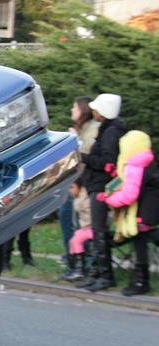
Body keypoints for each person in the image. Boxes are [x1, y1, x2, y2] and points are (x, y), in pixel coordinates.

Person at [97, 130, 158, 296]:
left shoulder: (135, 165)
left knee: (139, 244)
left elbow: (130, 194)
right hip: (152, 212)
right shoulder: (148, 161)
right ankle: (140, 279)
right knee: (144, 242)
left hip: (143, 215)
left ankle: (140, 282)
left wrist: (108, 199)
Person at [79, 93, 127, 291]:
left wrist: (83, 157)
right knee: (97, 230)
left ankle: (105, 276)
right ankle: (97, 272)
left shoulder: (110, 133)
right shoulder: (108, 129)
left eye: (97, 109)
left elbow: (107, 163)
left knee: (99, 231)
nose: (93, 111)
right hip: (96, 184)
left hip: (101, 186)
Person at [60, 96, 100, 279]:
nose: (71, 111)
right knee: (70, 222)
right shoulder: (82, 129)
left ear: (82, 110)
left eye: (74, 107)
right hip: (75, 184)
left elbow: (87, 159)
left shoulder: (92, 131)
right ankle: (75, 263)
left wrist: (75, 142)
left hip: (81, 185)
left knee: (77, 224)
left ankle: (79, 265)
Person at [64, 181, 94, 281]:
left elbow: (92, 213)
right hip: (86, 227)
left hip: (93, 227)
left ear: (79, 187)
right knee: (73, 241)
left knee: (76, 240)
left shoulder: (85, 199)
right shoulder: (79, 197)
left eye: (72, 187)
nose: (70, 190)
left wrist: (89, 225)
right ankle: (75, 268)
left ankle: (79, 270)